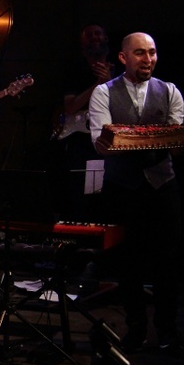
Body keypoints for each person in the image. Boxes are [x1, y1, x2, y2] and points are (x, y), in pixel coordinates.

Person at [88, 31, 184, 354]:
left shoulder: (170, 91)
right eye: (141, 53)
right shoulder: (104, 93)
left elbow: (175, 138)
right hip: (122, 188)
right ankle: (136, 328)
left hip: (162, 186)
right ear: (123, 57)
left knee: (167, 262)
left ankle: (167, 329)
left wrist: (126, 140)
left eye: (153, 53)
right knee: (127, 262)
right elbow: (103, 142)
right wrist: (130, 142)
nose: (149, 59)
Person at [54, 23, 115, 221]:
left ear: (105, 38)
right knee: (80, 194)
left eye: (98, 33)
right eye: (89, 35)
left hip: (108, 139)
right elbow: (70, 107)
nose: (95, 38)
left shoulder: (118, 70)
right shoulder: (75, 69)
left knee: (104, 193)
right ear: (82, 42)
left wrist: (109, 80)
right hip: (80, 141)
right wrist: (98, 84)